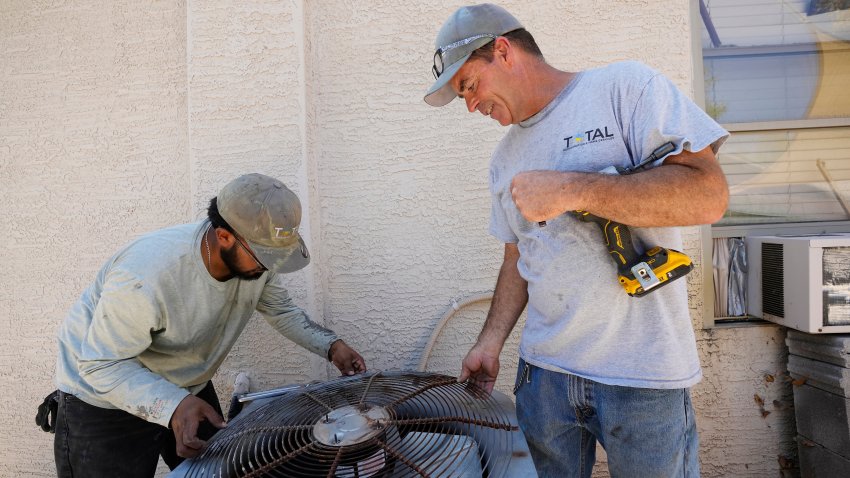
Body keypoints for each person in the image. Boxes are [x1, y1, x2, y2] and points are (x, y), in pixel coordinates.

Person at [424, 4, 729, 477]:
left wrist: (572, 188)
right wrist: (490, 343)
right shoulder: (504, 160)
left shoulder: (624, 89)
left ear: (502, 51)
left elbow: (708, 196)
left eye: (468, 85)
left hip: (644, 377)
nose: (470, 104)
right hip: (543, 378)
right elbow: (517, 258)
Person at [48, 173, 367, 478]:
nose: (270, 266)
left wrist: (330, 345)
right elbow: (101, 363)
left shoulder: (259, 264)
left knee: (225, 471)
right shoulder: (145, 278)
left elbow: (280, 310)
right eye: (264, 256)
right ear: (224, 236)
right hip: (105, 393)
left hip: (186, 384)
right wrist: (173, 405)